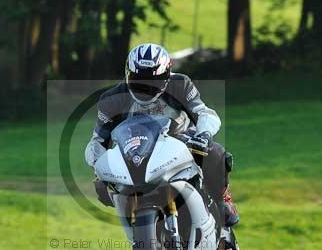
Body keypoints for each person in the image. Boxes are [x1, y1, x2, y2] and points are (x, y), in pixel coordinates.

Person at [84, 43, 239, 227]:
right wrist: (99, 169)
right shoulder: (112, 100)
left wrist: (204, 135)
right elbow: (98, 141)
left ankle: (222, 199)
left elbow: (204, 113)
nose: (145, 87)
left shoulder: (180, 84)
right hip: (136, 151)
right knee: (107, 188)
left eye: (153, 81)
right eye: (138, 80)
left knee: (214, 151)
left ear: (166, 76)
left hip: (180, 139)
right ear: (128, 75)